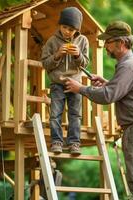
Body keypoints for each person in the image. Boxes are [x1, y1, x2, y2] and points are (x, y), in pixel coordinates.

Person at [64, 21, 133, 200]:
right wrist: (107, 82)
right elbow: (123, 91)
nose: (106, 46)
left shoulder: (129, 65)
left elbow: (108, 96)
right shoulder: (129, 64)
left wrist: (80, 89)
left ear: (121, 43)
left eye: (108, 42)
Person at [41, 7, 89, 155]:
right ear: (59, 25)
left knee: (75, 114)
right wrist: (57, 55)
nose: (67, 31)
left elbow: (85, 63)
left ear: (77, 29)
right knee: (55, 114)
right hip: (57, 83)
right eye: (64, 27)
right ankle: (56, 141)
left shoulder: (82, 41)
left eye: (71, 29)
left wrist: (77, 55)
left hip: (75, 84)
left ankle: (74, 143)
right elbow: (45, 63)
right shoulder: (52, 41)